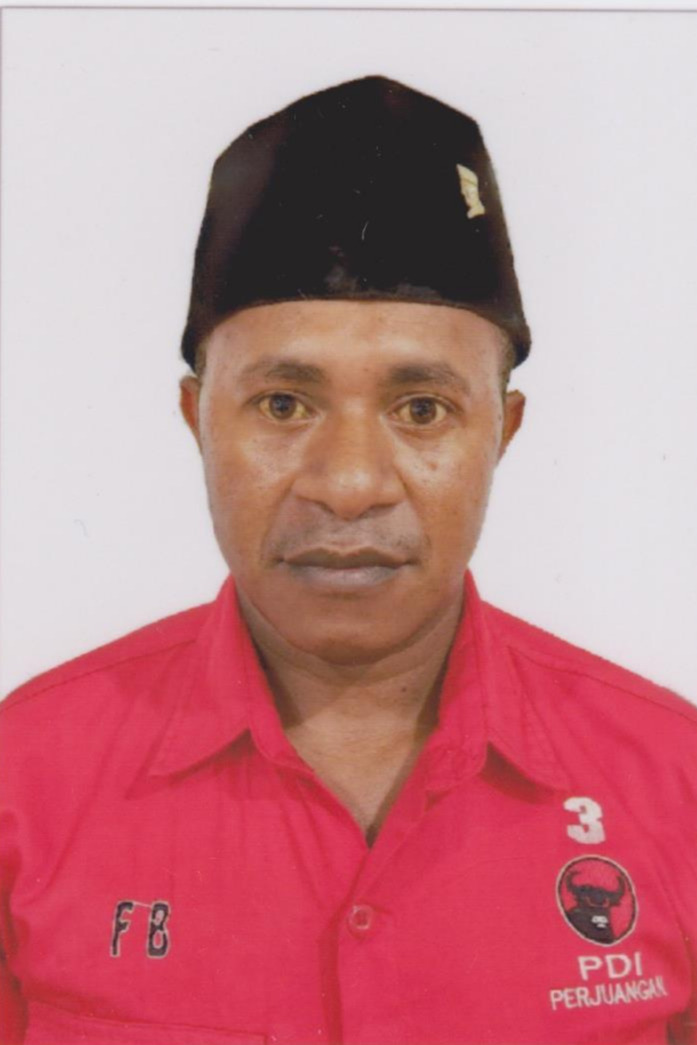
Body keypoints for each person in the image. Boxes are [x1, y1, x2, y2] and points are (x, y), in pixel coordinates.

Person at [0, 75, 695, 1045]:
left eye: (422, 409)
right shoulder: (23, 783)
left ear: (502, 431)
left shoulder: (672, 783)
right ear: (198, 420)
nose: (350, 483)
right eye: (284, 404)